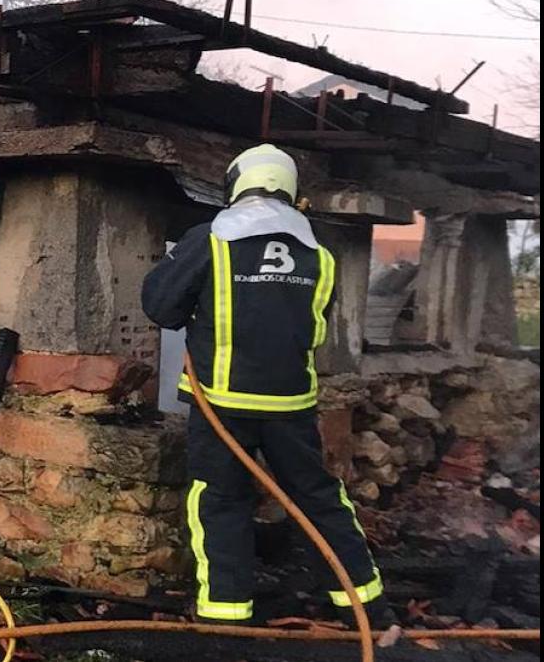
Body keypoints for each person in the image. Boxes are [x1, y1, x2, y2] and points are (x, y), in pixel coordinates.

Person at [141, 144, 388, 626]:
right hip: (291, 404)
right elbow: (313, 331)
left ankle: (226, 613)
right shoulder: (320, 254)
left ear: (237, 183)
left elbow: (160, 306)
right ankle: (366, 603)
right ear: (290, 189)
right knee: (317, 496)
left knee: (220, 498)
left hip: (221, 404)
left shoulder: (210, 237)